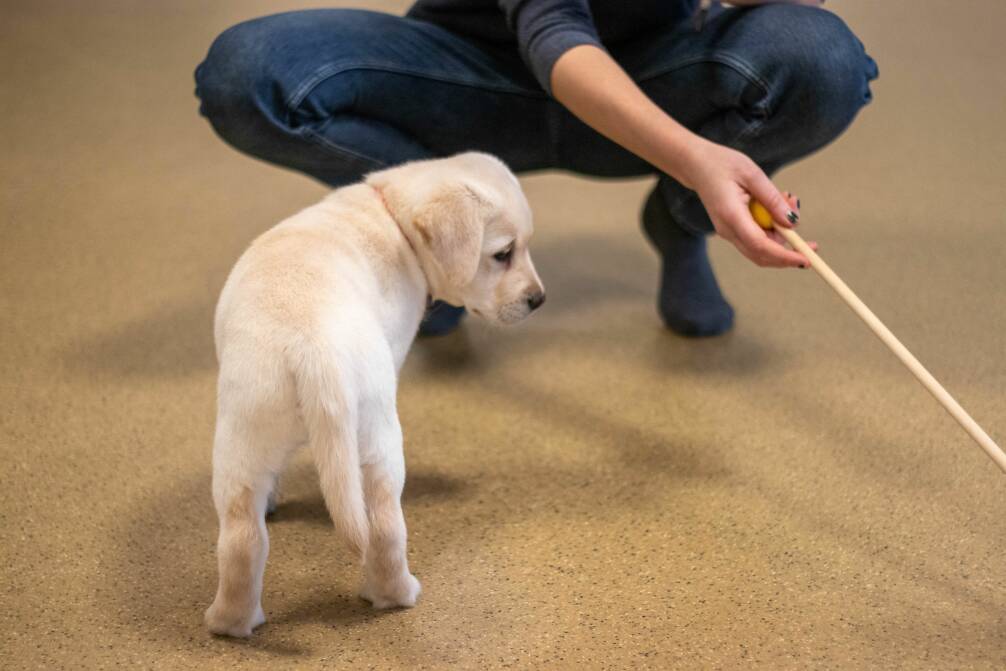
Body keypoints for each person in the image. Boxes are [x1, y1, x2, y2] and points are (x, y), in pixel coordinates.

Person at [194, 0, 877, 337]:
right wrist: (697, 156)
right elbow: (556, 37)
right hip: (466, 74)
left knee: (824, 62)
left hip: (655, 70)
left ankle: (681, 219)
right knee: (247, 77)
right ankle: (433, 251)